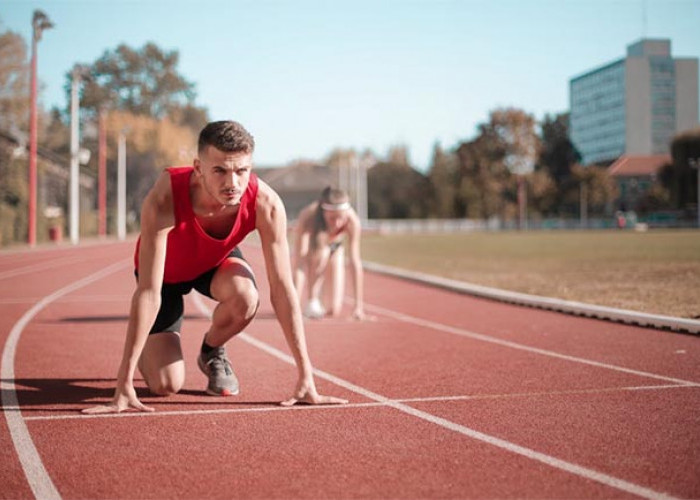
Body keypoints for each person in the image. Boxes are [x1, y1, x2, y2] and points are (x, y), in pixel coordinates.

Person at [84, 120, 347, 414]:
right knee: (165, 385)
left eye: (241, 171)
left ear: (250, 166)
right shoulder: (165, 196)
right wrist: (123, 384)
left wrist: (306, 377)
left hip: (213, 264)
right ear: (198, 168)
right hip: (165, 277)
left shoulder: (266, 204)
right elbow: (148, 291)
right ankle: (149, 345)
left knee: (247, 297)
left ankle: (211, 351)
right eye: (220, 170)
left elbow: (283, 290)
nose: (232, 183)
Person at [292, 187, 366, 320]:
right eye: (332, 218)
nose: (337, 224)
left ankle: (321, 301)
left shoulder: (352, 221)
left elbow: (355, 262)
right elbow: (299, 263)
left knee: (333, 309)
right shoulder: (308, 216)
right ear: (324, 212)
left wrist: (358, 307)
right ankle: (312, 300)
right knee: (322, 254)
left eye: (341, 218)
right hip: (314, 249)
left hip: (336, 247)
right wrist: (293, 304)